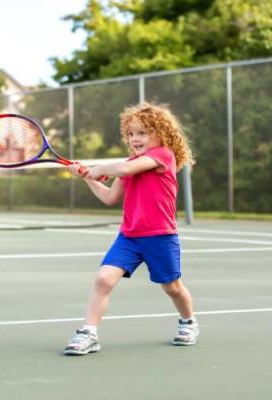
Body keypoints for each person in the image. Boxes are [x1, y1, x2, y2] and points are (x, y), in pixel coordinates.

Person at [63, 102, 198, 356]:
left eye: (143, 133)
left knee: (172, 287)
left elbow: (123, 168)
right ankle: (89, 333)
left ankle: (188, 322)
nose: (135, 138)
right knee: (103, 279)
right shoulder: (129, 165)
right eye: (131, 133)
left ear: (162, 134)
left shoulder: (162, 156)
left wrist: (98, 169)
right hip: (129, 237)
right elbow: (110, 197)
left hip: (160, 237)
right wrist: (87, 178)